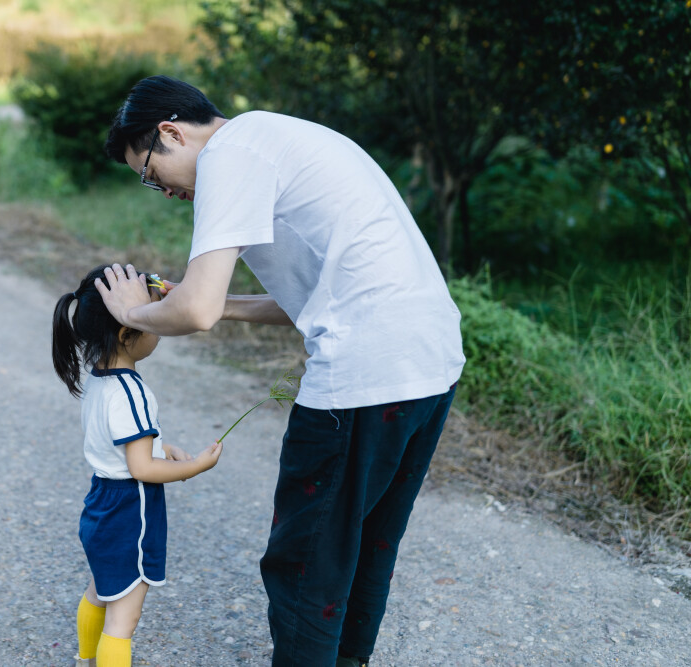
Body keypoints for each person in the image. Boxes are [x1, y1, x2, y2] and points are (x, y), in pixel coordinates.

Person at [96, 76, 465, 667]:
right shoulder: (273, 138)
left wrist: (131, 311)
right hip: (429, 362)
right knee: (365, 545)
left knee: (305, 559)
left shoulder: (229, 156)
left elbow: (196, 311)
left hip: (367, 374)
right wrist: (192, 295)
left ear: (170, 132)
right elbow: (291, 303)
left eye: (148, 173)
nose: (159, 191)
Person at [52, 264, 224, 667]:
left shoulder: (98, 379)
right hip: (131, 509)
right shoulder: (132, 391)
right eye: (152, 319)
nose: (159, 328)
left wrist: (162, 447)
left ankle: (84, 659)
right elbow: (142, 469)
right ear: (128, 333)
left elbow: (122, 445)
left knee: (101, 590)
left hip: (100, 502)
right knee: (123, 619)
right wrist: (194, 467)